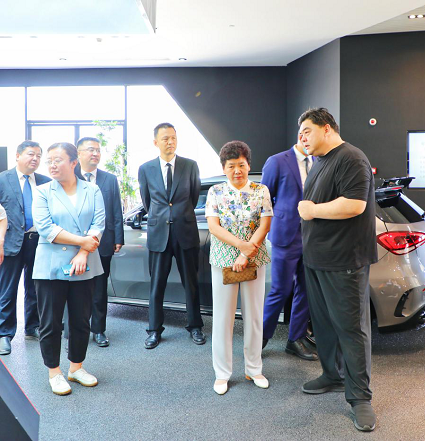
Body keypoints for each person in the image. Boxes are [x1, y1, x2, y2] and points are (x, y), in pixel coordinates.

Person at [297, 108, 378, 432]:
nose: (302, 137)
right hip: (317, 260)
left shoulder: (351, 158)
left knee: (352, 330)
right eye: (300, 133)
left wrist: (312, 210)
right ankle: (332, 375)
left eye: (307, 130)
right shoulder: (320, 162)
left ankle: (360, 398)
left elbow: (355, 205)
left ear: (327, 128)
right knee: (325, 326)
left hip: (344, 261)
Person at [32, 142, 105, 396]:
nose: (51, 165)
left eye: (58, 160)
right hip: (51, 265)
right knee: (51, 322)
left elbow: (98, 224)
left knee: (81, 319)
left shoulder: (92, 190)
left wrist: (84, 251)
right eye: (49, 160)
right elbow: (46, 228)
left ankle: (76, 367)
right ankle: (54, 372)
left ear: (74, 162)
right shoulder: (42, 191)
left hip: (85, 263)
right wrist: (82, 242)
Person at [206, 141, 272, 395]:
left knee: (254, 316)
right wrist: (240, 247)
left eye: (241, 165)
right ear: (224, 168)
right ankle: (222, 373)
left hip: (254, 257)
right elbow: (214, 227)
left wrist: (246, 252)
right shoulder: (215, 192)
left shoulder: (261, 190)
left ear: (248, 165)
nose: (237, 171)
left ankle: (254, 369)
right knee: (223, 318)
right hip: (224, 258)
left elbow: (265, 225)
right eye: (231, 166)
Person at [138, 122, 204, 349]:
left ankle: (195, 326)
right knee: (156, 285)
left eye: (173, 137)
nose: (170, 142)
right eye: (165, 138)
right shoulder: (146, 169)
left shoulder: (190, 166)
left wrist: (178, 215)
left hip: (185, 231)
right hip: (159, 234)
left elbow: (193, 197)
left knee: (191, 283)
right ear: (155, 142)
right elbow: (147, 202)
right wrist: (163, 217)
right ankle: (154, 330)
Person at [261, 132, 317, 361]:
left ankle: (296, 339)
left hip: (313, 236)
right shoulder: (277, 161)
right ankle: (260, 339)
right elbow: (264, 199)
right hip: (286, 236)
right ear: (301, 135)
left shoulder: (319, 161)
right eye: (307, 133)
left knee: (306, 289)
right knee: (280, 290)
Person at [63, 138, 124, 348]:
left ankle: (99, 330)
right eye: (91, 150)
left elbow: (116, 209)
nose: (95, 153)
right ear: (79, 153)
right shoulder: (69, 176)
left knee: (99, 289)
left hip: (102, 242)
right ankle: (72, 331)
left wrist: (118, 238)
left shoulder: (109, 179)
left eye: (98, 150)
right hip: (74, 242)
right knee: (73, 288)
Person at [0, 141, 50, 356]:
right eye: (31, 154)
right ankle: (4, 333)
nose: (35, 159)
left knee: (35, 287)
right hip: (10, 242)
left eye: (39, 155)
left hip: (38, 241)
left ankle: (33, 326)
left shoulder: (46, 182)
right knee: (7, 289)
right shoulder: (3, 179)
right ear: (18, 155)